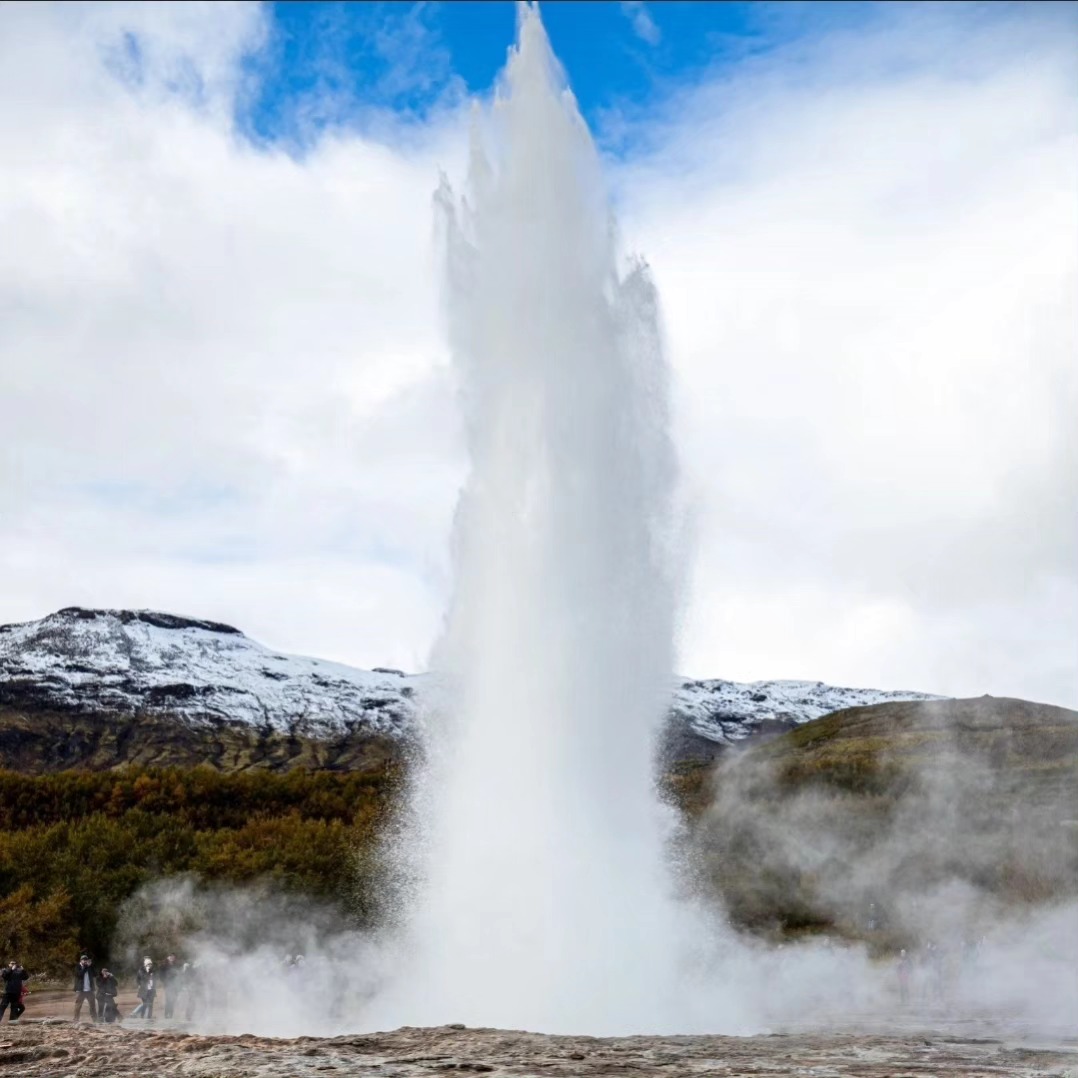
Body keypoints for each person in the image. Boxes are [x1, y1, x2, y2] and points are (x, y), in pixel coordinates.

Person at [73, 954, 98, 1022]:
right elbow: (80, 975)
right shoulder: (77, 967)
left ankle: (95, 1020)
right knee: (78, 1006)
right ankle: (76, 1019)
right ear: (81, 960)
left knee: (92, 1006)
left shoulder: (89, 967)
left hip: (89, 990)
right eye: (83, 960)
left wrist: (91, 966)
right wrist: (86, 966)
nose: (85, 961)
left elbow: (95, 974)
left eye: (86, 960)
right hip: (80, 990)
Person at [161, 953, 181, 1019]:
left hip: (175, 986)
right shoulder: (164, 966)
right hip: (168, 985)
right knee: (168, 1000)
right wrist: (165, 982)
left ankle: (171, 1015)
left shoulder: (176, 965)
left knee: (173, 1000)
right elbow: (161, 975)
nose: (172, 958)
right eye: (170, 957)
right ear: (168, 957)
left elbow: (179, 975)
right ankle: (166, 1015)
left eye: (173, 957)